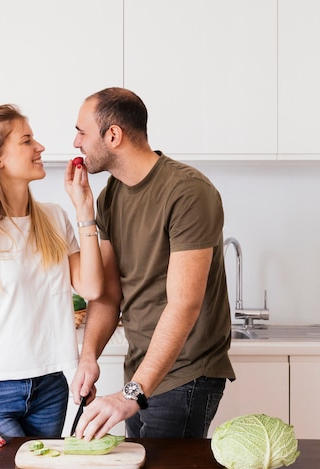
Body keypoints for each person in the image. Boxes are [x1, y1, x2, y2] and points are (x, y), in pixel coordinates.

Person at [0, 104, 104, 447]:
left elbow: (92, 286)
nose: (40, 147)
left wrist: (84, 210)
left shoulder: (55, 218)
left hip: (50, 387)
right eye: (27, 140)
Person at [70, 87, 235, 440]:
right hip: (142, 373)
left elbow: (184, 304)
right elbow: (109, 296)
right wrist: (88, 357)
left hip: (185, 373)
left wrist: (133, 393)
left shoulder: (187, 192)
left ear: (113, 135)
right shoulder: (110, 197)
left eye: (82, 132)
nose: (75, 143)